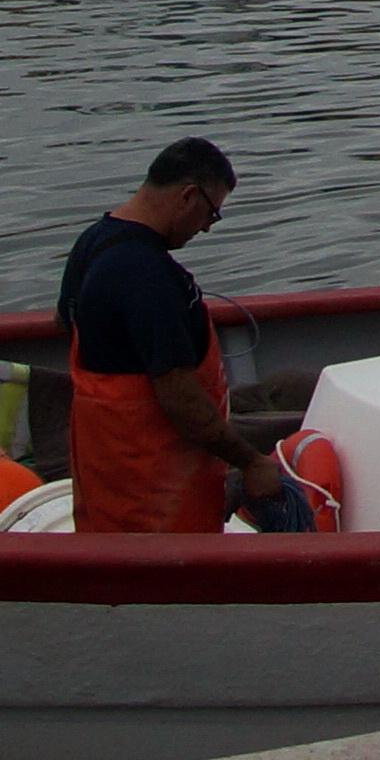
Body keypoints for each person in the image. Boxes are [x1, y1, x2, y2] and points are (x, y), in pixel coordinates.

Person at [56, 138, 291, 533]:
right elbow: (180, 400)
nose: (207, 227)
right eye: (211, 213)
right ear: (187, 196)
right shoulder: (148, 275)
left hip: (104, 486)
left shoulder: (93, 242)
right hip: (157, 502)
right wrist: (251, 462)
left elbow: (65, 321)